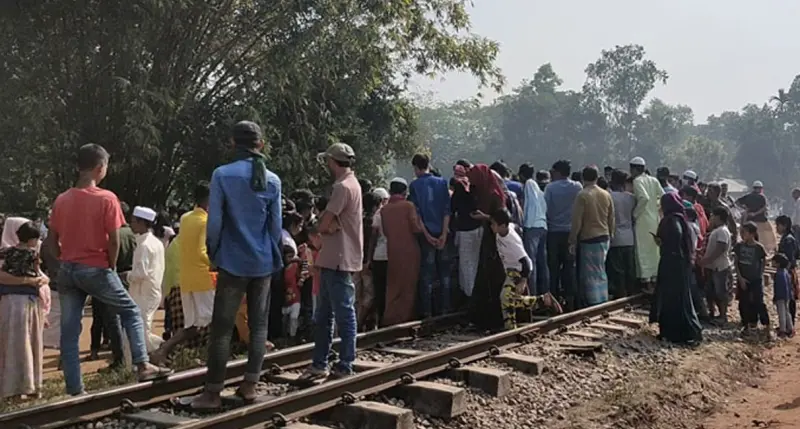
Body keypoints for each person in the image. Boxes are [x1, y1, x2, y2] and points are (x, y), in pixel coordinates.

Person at [48, 144, 171, 396]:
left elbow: (51, 241)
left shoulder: (61, 200)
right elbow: (114, 239)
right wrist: (111, 267)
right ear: (100, 168)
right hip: (96, 267)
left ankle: (75, 389)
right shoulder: (107, 198)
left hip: (68, 270)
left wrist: (63, 262)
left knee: (70, 332)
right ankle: (141, 363)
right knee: (130, 312)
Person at [190, 121, 282, 409]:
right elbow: (275, 227)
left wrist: (213, 252)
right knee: (258, 326)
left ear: (233, 143)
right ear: (261, 145)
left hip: (232, 261)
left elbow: (215, 222)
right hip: (263, 262)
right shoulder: (273, 180)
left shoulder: (222, 175)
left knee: (222, 328)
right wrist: (272, 257)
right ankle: (250, 386)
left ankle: (213, 393)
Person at [300, 142, 362, 381]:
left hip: (337, 258)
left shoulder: (342, 187)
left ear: (332, 162)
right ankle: (323, 361)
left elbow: (324, 224)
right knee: (328, 314)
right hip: (335, 258)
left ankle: (343, 362)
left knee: (339, 313)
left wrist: (324, 227)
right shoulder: (353, 184)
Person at [151, 182, 214, 364]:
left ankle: (163, 351)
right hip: (203, 279)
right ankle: (213, 357)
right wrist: (216, 264)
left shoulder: (186, 218)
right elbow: (202, 252)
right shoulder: (205, 221)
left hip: (185, 280)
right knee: (217, 319)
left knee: (192, 325)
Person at [0, 219, 50, 400]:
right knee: (29, 342)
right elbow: (39, 276)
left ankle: (11, 388)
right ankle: (30, 386)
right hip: (27, 303)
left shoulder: (6, 252)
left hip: (9, 303)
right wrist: (32, 281)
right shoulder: (32, 255)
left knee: (13, 343)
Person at [490, 209, 562, 330]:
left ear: (502, 226)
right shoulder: (505, 228)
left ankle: (511, 326)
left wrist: (523, 281)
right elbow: (515, 226)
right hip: (510, 268)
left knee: (505, 297)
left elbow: (525, 262)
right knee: (510, 298)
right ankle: (543, 301)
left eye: (493, 224)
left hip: (518, 270)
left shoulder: (511, 241)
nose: (491, 227)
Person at [649, 193, 703, 345]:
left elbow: (675, 236)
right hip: (677, 263)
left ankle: (683, 333)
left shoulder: (672, 219)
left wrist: (666, 244)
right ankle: (671, 332)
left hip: (673, 264)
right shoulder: (679, 217)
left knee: (676, 299)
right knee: (674, 299)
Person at [409, 153, 452, 317]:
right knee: (445, 273)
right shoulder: (442, 183)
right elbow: (446, 210)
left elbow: (417, 214)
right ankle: (445, 308)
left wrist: (427, 235)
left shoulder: (414, 186)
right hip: (443, 233)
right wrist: (443, 234)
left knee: (427, 274)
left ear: (416, 167)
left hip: (426, 234)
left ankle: (427, 311)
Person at [376, 178, 424, 326]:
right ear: (404, 191)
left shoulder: (384, 210)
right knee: (408, 286)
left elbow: (385, 232)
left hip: (392, 251)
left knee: (393, 287)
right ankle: (405, 319)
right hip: (410, 250)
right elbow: (416, 228)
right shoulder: (409, 206)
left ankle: (389, 319)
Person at [122, 206, 166, 363]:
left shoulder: (144, 245)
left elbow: (141, 274)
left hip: (144, 293)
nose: (131, 224)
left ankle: (166, 348)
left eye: (133, 221)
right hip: (151, 292)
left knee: (139, 332)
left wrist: (125, 275)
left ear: (141, 223)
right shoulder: (156, 242)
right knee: (139, 330)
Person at [467, 164, 508, 330]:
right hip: (488, 238)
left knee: (494, 279)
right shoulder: (483, 192)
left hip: (496, 241)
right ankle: (481, 318)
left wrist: (485, 217)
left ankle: (496, 318)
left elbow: (504, 218)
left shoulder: (494, 194)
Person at [568, 166, 614, 307]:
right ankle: (602, 297)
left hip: (589, 238)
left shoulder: (583, 195)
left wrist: (572, 240)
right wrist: (611, 234)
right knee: (600, 270)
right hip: (604, 236)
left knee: (590, 273)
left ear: (583, 178)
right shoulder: (606, 194)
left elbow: (577, 221)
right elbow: (611, 217)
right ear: (597, 177)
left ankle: (594, 302)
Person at [544, 160, 582, 310]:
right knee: (570, 266)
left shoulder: (550, 188)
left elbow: (545, 208)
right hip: (571, 233)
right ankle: (571, 299)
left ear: (558, 172)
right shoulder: (577, 187)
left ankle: (554, 300)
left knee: (553, 267)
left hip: (553, 233)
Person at [629, 156, 664, 293]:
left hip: (642, 220)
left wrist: (635, 214)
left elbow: (643, 198)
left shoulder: (637, 181)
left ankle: (646, 281)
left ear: (635, 169)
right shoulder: (653, 180)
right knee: (653, 251)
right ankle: (654, 278)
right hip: (654, 219)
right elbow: (663, 196)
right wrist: (655, 208)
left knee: (642, 250)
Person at [450, 164, 482, 299]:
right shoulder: (475, 186)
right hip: (478, 228)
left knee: (466, 264)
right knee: (476, 262)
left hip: (465, 230)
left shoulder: (458, 187)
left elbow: (453, 208)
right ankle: (476, 294)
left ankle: (470, 295)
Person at [734, 222, 769, 337]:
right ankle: (746, 325)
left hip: (755, 279)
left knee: (758, 301)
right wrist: (740, 278)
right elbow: (736, 263)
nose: (743, 234)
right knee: (744, 302)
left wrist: (760, 274)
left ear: (752, 233)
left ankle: (765, 324)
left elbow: (764, 261)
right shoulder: (739, 246)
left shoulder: (759, 247)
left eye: (745, 232)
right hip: (743, 279)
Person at [699, 207, 734, 323]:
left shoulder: (722, 231)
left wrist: (707, 260)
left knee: (720, 292)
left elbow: (721, 248)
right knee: (710, 291)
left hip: (720, 266)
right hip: (712, 266)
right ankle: (712, 313)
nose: (711, 218)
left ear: (718, 217)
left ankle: (723, 316)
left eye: (713, 216)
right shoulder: (717, 230)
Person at [519, 163, 549, 295]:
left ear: (522, 175)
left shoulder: (528, 185)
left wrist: (522, 224)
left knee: (531, 262)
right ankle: (545, 292)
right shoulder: (537, 187)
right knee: (542, 261)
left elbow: (527, 207)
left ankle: (534, 294)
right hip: (542, 225)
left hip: (532, 226)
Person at [606, 170, 636, 298]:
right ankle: (631, 292)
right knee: (629, 267)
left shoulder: (609, 196)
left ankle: (620, 293)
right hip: (629, 237)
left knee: (618, 270)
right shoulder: (631, 198)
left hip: (615, 238)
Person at [736, 181, 776, 253]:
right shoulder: (762, 197)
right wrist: (755, 213)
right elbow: (764, 208)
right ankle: (765, 251)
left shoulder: (748, 196)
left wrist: (745, 209)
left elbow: (737, 202)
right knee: (767, 238)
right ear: (761, 188)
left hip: (750, 221)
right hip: (761, 221)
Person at [775, 215, 798, 322]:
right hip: (787, 271)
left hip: (788, 271)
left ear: (784, 225)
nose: (776, 228)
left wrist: (785, 274)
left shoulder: (788, 240)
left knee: (789, 298)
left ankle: (790, 324)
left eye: (778, 225)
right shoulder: (787, 237)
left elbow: (789, 258)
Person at [772, 253, 794, 337]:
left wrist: (776, 297)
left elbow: (779, 287)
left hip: (780, 296)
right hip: (787, 296)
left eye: (774, 262)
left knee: (781, 313)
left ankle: (782, 330)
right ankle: (790, 328)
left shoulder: (779, 274)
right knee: (787, 312)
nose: (772, 264)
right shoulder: (785, 272)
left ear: (778, 263)